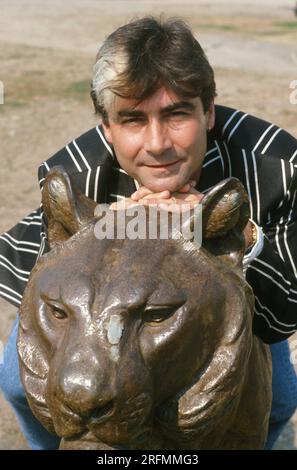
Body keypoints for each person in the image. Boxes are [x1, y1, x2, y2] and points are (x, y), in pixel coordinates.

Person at [0, 16, 297, 450]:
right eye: (133, 121)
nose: (157, 144)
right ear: (107, 128)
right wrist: (108, 227)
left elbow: (285, 305)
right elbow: (50, 277)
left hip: (233, 308)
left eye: (177, 114)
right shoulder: (78, 173)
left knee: (279, 400)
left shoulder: (275, 165)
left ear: (209, 111)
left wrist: (245, 239)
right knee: (15, 382)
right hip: (101, 314)